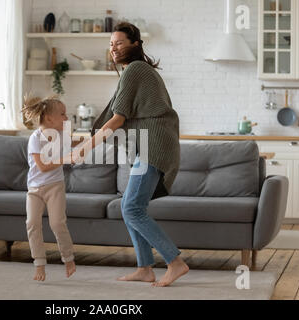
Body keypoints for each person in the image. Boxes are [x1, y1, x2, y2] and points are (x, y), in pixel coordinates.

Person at [69, 22, 189, 287]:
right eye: (111, 44)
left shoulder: (135, 69)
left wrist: (85, 147)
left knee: (132, 207)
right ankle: (145, 268)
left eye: (119, 43)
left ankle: (175, 262)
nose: (113, 48)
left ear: (135, 44)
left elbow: (117, 118)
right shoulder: (137, 70)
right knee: (131, 206)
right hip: (150, 143)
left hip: (154, 145)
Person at [22, 96, 79, 281]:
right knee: (32, 224)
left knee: (57, 223)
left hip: (55, 187)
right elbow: (43, 166)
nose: (66, 118)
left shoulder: (62, 136)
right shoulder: (35, 138)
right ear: (49, 119)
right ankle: (39, 263)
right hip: (35, 190)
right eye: (62, 114)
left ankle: (68, 258)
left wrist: (93, 139)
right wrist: (66, 158)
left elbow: (76, 143)